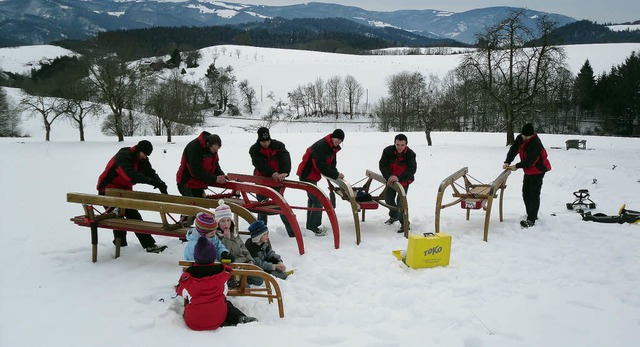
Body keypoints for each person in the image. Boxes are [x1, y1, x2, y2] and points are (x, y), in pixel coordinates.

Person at [96, 140, 167, 253]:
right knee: (118, 217)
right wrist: (151, 182)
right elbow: (130, 175)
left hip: (124, 191)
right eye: (144, 154)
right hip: (107, 190)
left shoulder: (142, 160)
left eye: (147, 155)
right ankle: (121, 244)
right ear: (139, 150)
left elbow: (150, 172)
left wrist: (160, 183)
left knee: (134, 216)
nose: (145, 157)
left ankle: (146, 245)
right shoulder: (124, 155)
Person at [176, 236, 257, 331]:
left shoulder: (188, 278)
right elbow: (224, 292)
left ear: (196, 256)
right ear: (214, 256)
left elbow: (182, 292)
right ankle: (238, 317)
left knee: (192, 303)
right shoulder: (222, 275)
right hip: (218, 319)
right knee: (226, 303)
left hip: (193, 322)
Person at [296, 129, 345, 236]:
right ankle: (314, 228)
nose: (339, 142)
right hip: (307, 175)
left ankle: (310, 227)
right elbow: (320, 165)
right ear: (332, 137)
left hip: (312, 176)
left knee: (312, 200)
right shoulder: (322, 146)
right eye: (337, 139)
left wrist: (336, 173)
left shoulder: (332, 147)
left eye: (341, 140)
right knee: (318, 200)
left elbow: (332, 164)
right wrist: (335, 175)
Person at [503, 123, 552, 228]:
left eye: (526, 136)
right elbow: (514, 150)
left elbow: (530, 161)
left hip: (538, 170)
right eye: (523, 135)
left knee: (533, 194)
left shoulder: (536, 144)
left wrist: (516, 166)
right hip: (529, 171)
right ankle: (531, 214)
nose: (524, 138)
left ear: (532, 135)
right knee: (525, 193)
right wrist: (507, 161)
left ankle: (531, 219)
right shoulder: (521, 138)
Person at [249, 127, 295, 237]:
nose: (266, 144)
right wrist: (272, 173)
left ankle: (292, 234)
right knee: (262, 207)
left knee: (281, 205)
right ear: (259, 141)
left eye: (267, 141)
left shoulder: (278, 146)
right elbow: (259, 164)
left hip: (277, 181)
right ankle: (262, 234)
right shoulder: (254, 150)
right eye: (263, 142)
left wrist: (285, 172)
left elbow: (285, 158)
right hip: (261, 180)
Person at [215, 201, 264, 286]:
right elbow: (224, 254)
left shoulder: (235, 233)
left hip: (241, 264)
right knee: (245, 286)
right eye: (222, 221)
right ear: (218, 223)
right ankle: (235, 282)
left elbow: (243, 249)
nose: (226, 224)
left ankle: (242, 278)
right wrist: (226, 239)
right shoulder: (216, 236)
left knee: (259, 279)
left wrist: (250, 260)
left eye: (228, 220)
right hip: (229, 267)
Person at [379, 133, 417, 233]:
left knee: (401, 203)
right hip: (390, 180)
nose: (400, 147)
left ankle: (405, 224)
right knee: (388, 199)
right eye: (398, 144)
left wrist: (399, 178)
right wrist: (389, 176)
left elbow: (412, 169)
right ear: (394, 143)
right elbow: (382, 165)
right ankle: (394, 216)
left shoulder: (410, 154)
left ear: (406, 145)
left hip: (403, 181)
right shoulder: (388, 151)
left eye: (402, 145)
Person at [176, 131, 228, 199]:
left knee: (203, 205)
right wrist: (215, 179)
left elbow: (215, 165)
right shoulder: (194, 148)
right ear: (208, 144)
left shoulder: (212, 150)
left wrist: (221, 175)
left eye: (217, 150)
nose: (216, 152)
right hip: (187, 183)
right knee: (198, 207)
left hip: (198, 183)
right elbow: (196, 171)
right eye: (215, 150)